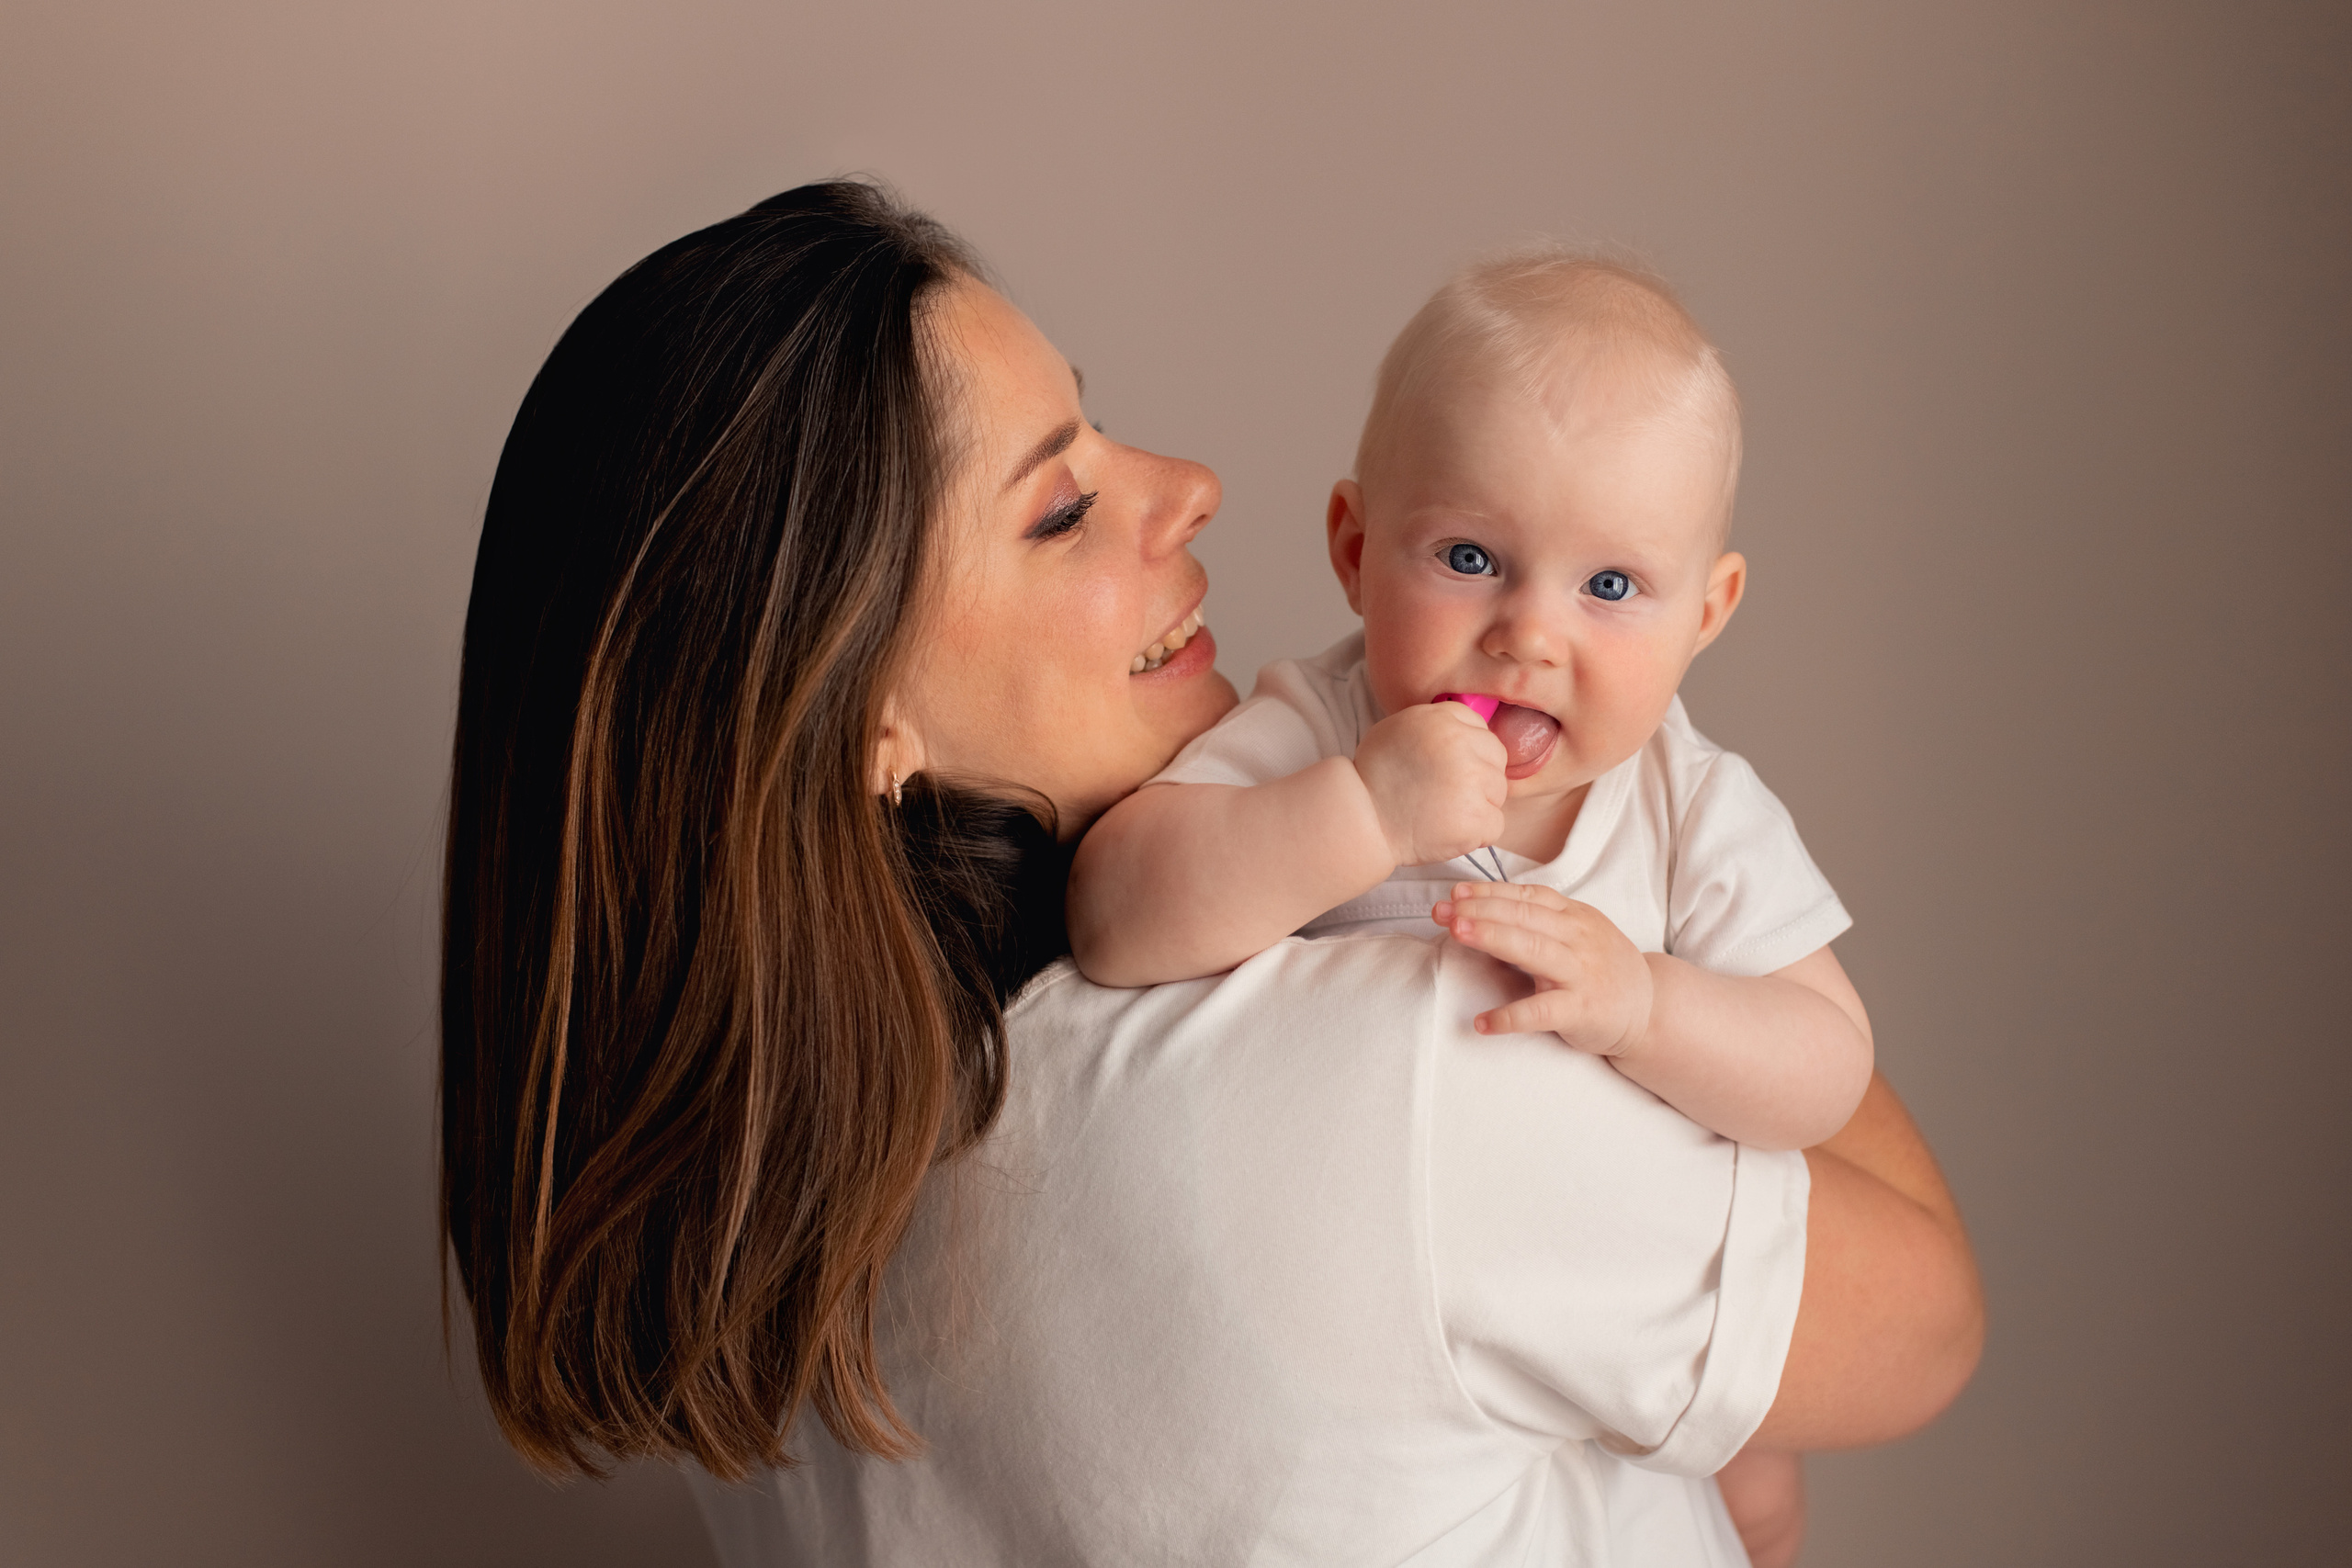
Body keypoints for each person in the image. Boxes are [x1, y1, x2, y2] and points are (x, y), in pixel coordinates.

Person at [440, 181, 1982, 1566]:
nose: (1189, 485)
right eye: (1061, 507)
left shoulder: (761, 1257)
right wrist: (1650, 824)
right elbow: (1923, 1319)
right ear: (861, 715)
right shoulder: (1405, 1068)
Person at [1069, 252, 1872, 1158]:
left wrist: (1645, 1007)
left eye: (1608, 584)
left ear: (1704, 615)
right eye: (1469, 560)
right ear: (1355, 552)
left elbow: (1828, 1068)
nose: (1527, 636)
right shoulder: (1322, 728)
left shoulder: (1688, 808)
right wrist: (1366, 812)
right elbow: (1113, 916)